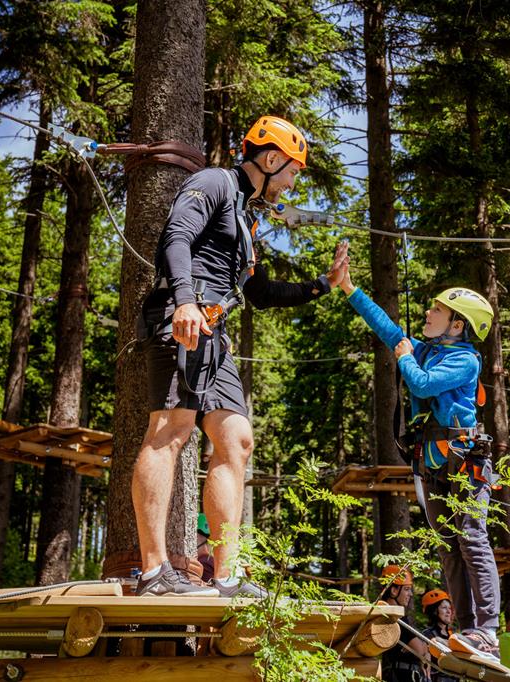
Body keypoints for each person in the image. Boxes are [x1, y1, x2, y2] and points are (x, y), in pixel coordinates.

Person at [132, 115, 351, 597]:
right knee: (171, 432)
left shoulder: (245, 216)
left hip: (214, 329)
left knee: (236, 440)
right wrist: (185, 300)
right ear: (271, 160)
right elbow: (176, 237)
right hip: (183, 316)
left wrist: (322, 286)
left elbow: (257, 291)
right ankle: (153, 572)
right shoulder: (212, 182)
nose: (292, 183)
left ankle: (226, 575)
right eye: (292, 171)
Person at [338, 267, 502, 665]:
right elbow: (389, 331)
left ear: (457, 324)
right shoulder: (427, 349)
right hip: (433, 464)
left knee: (472, 538)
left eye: (437, 310)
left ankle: (489, 631)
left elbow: (423, 384)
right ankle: (467, 630)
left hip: (463, 462)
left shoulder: (465, 359)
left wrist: (407, 358)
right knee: (448, 546)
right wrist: (349, 288)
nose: (428, 313)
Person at [379, 565, 427, 681]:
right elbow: (420, 650)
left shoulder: (381, 614)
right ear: (394, 590)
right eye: (406, 589)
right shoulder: (396, 619)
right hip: (402, 676)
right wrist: (424, 646)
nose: (410, 594)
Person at [421, 589, 457, 682]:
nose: (449, 612)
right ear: (434, 611)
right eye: (444, 608)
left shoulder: (453, 636)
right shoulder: (427, 635)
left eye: (449, 608)